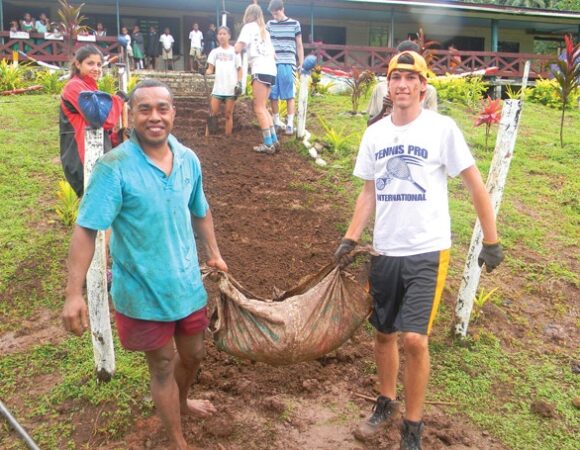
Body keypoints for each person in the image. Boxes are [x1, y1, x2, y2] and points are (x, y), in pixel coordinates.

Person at [334, 50, 504, 450]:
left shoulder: (441, 130)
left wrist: (492, 240)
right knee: (383, 335)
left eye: (413, 79)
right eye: (397, 78)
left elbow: (476, 185)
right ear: (388, 86)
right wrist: (351, 237)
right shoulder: (375, 134)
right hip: (384, 251)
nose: (404, 85)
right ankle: (385, 402)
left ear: (424, 88)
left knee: (415, 339)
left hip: (428, 250)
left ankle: (413, 427)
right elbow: (368, 192)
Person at [62, 79, 228, 450]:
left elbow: (200, 210)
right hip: (141, 291)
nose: (155, 117)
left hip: (186, 285)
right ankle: (176, 438)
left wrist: (214, 251)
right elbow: (87, 230)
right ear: (130, 115)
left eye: (162, 109)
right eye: (145, 109)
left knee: (195, 354)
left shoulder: (187, 159)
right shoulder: (114, 168)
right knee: (163, 365)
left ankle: (182, 402)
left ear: (174, 113)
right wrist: (74, 293)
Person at [59, 45, 124, 198]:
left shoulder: (89, 88)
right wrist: (118, 100)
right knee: (95, 214)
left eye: (99, 64)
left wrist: (114, 138)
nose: (96, 68)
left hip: (95, 158)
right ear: (77, 64)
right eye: (90, 63)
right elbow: (101, 119)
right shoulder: (75, 87)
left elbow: (98, 127)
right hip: (84, 161)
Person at [235, 4, 278, 154]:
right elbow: (274, 55)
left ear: (248, 14)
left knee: (258, 107)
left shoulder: (248, 27)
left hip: (259, 69)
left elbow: (237, 48)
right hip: (271, 70)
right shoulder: (264, 31)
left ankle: (267, 144)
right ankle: (274, 140)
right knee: (264, 106)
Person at [367, 40, 437, 125]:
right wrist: (384, 110)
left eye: (411, 77)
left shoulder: (429, 91)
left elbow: (432, 124)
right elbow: (370, 124)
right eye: (396, 77)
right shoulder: (380, 88)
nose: (402, 85)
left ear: (423, 84)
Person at [266, 0, 304, 136]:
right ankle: (276, 121)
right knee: (273, 94)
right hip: (272, 64)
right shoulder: (269, 24)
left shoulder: (295, 24)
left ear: (281, 9)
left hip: (288, 62)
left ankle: (289, 124)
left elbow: (299, 45)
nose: (274, 16)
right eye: (272, 14)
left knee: (289, 94)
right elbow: (265, 42)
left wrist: (301, 62)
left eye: (275, 13)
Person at [206, 26, 242, 136]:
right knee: (212, 114)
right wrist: (204, 71)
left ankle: (228, 138)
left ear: (229, 36)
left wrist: (239, 83)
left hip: (231, 89)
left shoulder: (234, 52)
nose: (221, 36)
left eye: (224, 34)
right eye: (220, 34)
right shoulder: (214, 52)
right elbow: (210, 69)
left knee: (228, 114)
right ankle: (206, 137)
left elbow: (239, 69)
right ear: (217, 36)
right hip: (218, 88)